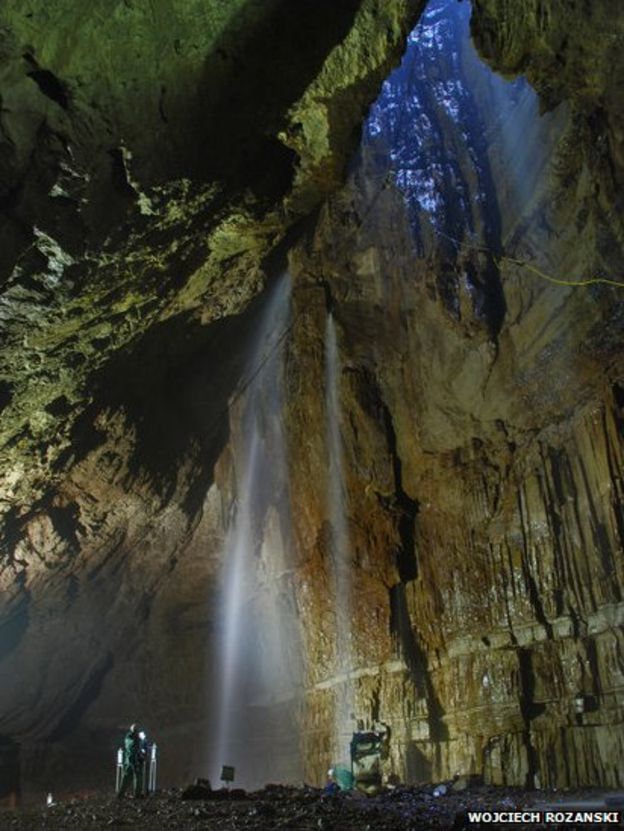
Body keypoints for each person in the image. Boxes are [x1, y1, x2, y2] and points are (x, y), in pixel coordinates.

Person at [117, 723, 142, 798]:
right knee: (138, 777)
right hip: (133, 760)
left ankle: (121, 794)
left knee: (127, 777)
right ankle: (137, 794)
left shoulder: (128, 737)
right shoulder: (135, 739)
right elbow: (134, 750)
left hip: (129, 760)